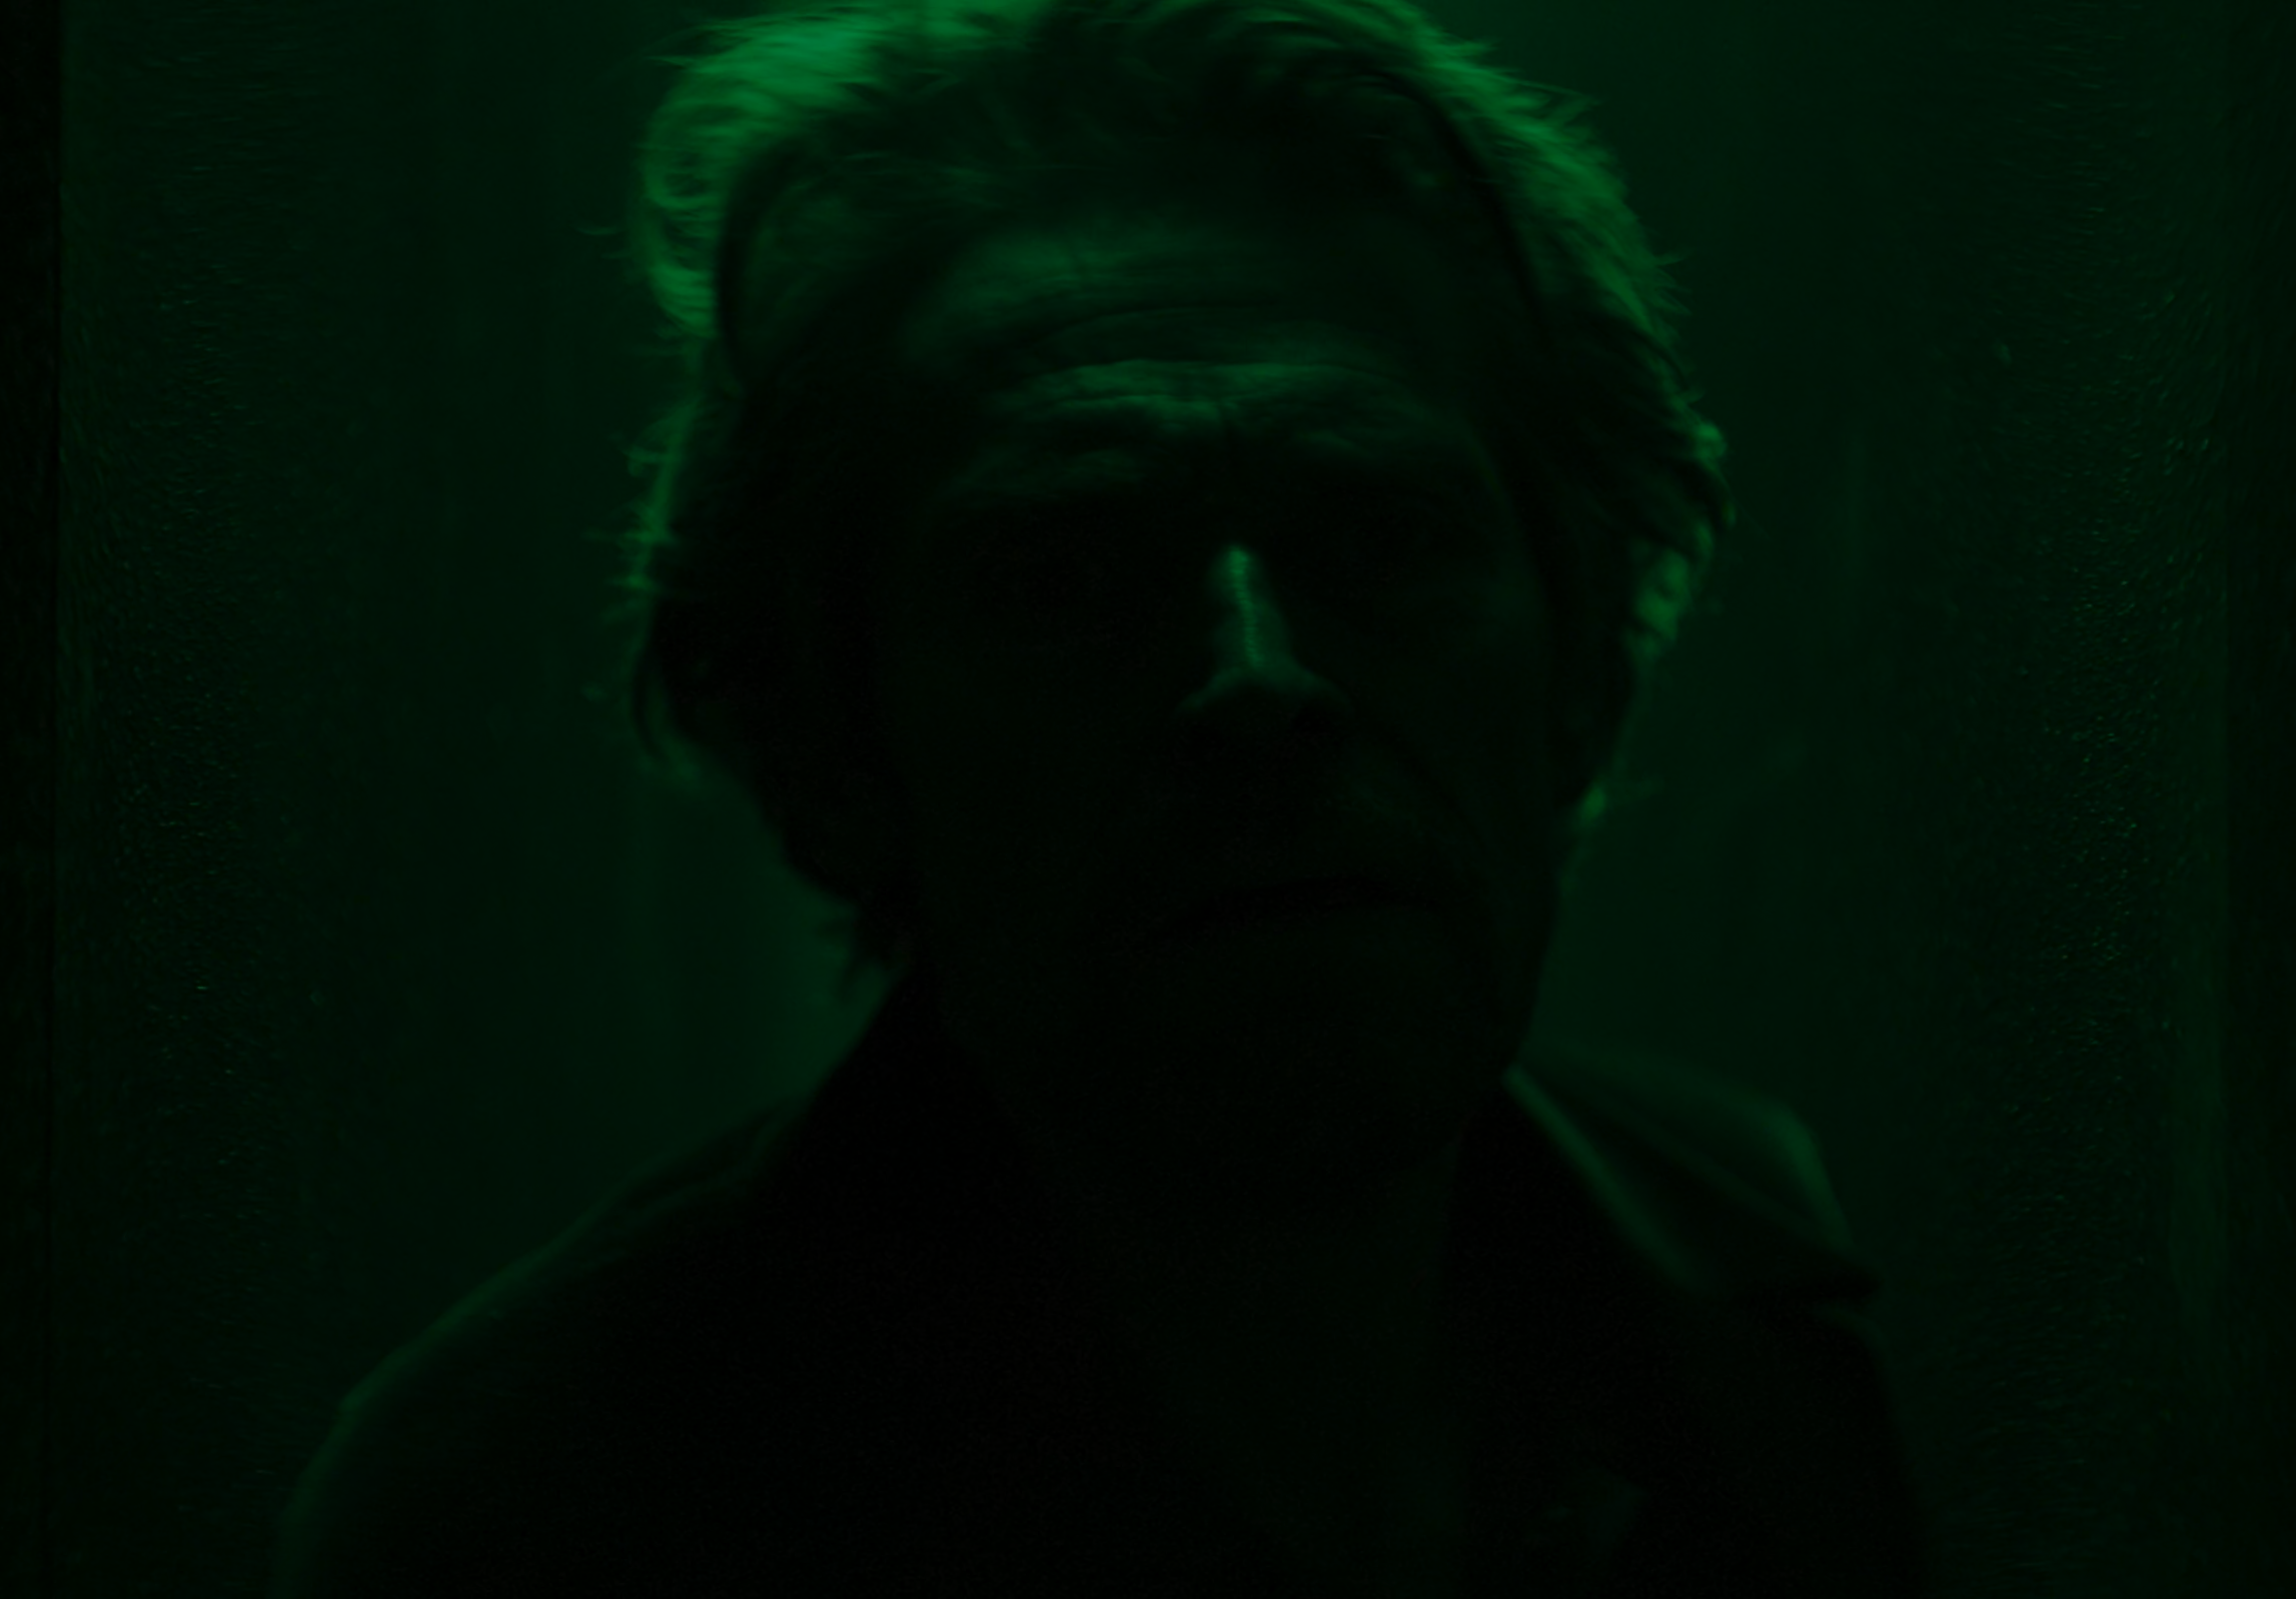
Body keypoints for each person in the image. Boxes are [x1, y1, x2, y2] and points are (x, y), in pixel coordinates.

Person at [270, 2, 1925, 1594]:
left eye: (1383, 538)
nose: (1260, 682)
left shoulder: (1757, 1307)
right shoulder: (538, 1511)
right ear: (828, 749)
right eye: (1066, 575)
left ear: (1585, 668)